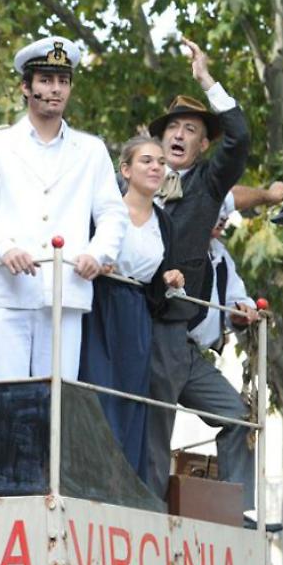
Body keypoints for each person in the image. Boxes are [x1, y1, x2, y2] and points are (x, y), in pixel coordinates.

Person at [0, 36, 128, 379]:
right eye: (45, 80)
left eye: (63, 81)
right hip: (5, 291)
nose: (56, 89)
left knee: (56, 400)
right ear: (25, 87)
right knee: (1, 396)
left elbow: (113, 213)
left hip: (66, 288)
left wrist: (98, 254)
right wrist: (4, 247)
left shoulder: (91, 149)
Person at [146, 36, 254, 504]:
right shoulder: (131, 182)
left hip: (179, 337)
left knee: (238, 416)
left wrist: (207, 79)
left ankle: (239, 512)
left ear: (204, 143)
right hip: (134, 324)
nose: (178, 134)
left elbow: (241, 138)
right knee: (149, 423)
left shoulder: (209, 183)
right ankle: (145, 508)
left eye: (190, 129)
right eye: (173, 127)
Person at [80, 135, 184, 483]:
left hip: (136, 314)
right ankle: (93, 481)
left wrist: (170, 279)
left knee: (132, 400)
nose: (156, 167)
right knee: (98, 393)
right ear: (125, 169)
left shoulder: (164, 222)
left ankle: (125, 485)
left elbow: (157, 279)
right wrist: (97, 266)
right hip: (100, 307)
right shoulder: (105, 210)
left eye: (160, 162)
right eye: (146, 161)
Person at [188, 196, 259, 353]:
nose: (224, 218)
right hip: (168, 344)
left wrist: (240, 314)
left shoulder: (221, 256)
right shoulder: (180, 242)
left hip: (196, 353)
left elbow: (235, 301)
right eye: (219, 211)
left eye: (226, 213)